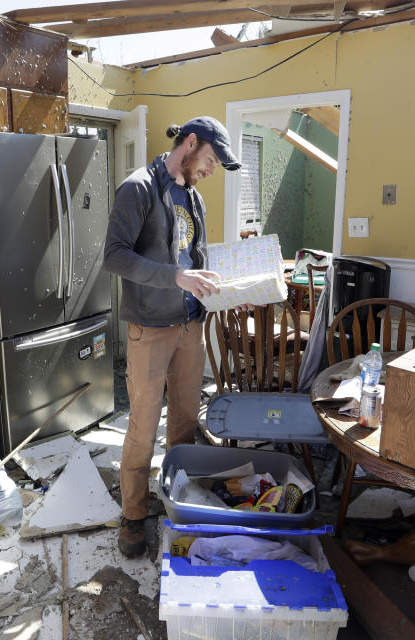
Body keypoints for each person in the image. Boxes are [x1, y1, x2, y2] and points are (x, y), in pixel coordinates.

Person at [103, 116, 242, 558]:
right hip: (151, 328)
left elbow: (194, 258)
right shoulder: (139, 187)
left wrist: (232, 289)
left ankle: (175, 499)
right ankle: (133, 515)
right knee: (143, 427)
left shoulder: (193, 198)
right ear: (192, 143)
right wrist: (175, 276)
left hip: (190, 326)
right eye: (211, 159)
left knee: (183, 421)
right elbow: (115, 256)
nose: (212, 170)